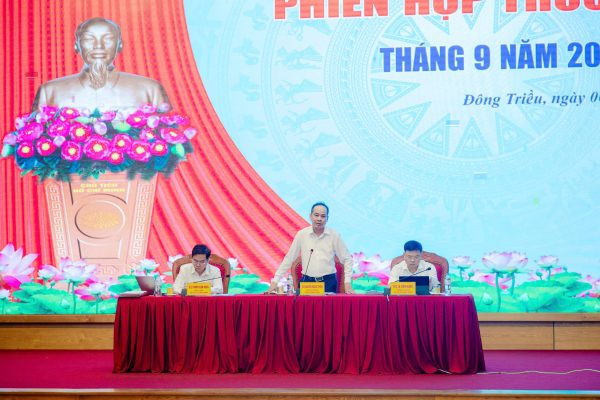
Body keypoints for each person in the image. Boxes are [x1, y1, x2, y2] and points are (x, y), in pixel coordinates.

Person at [32, 17, 169, 110]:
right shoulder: (49, 91)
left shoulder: (150, 90)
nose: (99, 45)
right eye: (89, 39)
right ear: (76, 45)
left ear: (120, 45)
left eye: (108, 39)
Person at [267, 202, 354, 294]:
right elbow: (289, 258)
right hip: (307, 282)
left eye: (323, 216)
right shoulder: (302, 234)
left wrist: (347, 282)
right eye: (316, 215)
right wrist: (275, 281)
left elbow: (347, 259)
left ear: (327, 219)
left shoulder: (334, 235)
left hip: (328, 282)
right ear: (310, 216)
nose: (319, 219)